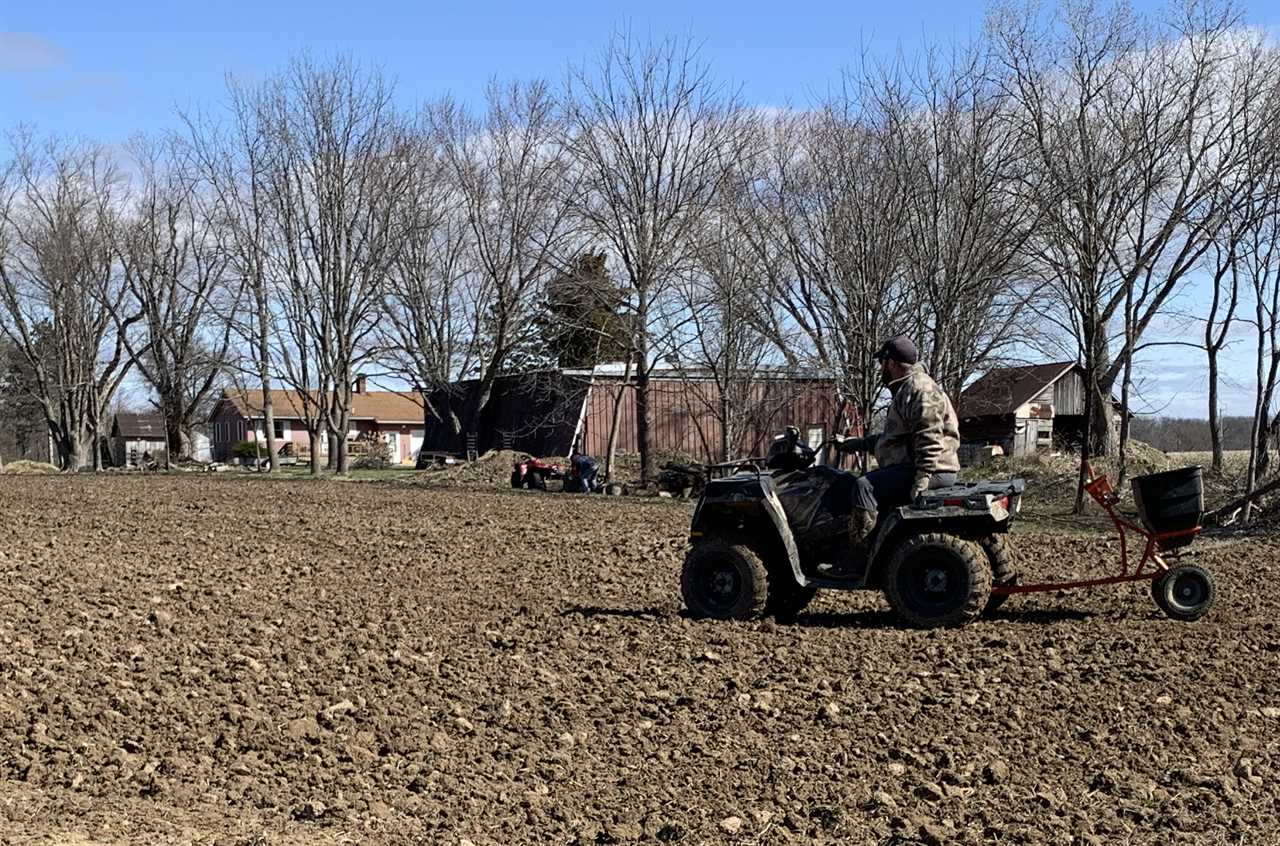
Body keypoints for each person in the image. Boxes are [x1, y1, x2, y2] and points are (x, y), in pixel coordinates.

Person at [832, 334, 961, 553]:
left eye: (882, 363)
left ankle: (860, 555)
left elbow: (929, 437)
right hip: (919, 466)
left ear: (891, 363)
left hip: (933, 469)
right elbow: (898, 440)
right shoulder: (907, 389)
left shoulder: (920, 390)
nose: (880, 369)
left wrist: (922, 479)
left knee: (864, 487)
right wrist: (856, 444)